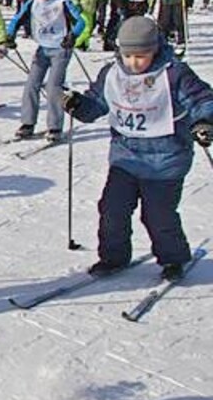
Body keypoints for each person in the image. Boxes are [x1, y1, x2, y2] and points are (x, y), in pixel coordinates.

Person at [62, 16, 213, 281]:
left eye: (141, 56)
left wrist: (204, 122)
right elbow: (97, 104)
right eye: (128, 55)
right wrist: (78, 105)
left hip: (166, 159)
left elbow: (202, 100)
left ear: (155, 48)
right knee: (112, 209)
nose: (133, 62)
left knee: (158, 216)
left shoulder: (173, 73)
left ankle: (173, 259)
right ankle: (113, 256)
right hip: (126, 157)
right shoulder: (112, 73)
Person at [6, 0, 85, 141]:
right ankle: (27, 123)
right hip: (43, 48)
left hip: (61, 49)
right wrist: (9, 36)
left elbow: (81, 22)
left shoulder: (63, 2)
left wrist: (72, 36)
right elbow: (17, 19)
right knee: (31, 85)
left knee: (53, 87)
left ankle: (55, 126)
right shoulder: (33, 1)